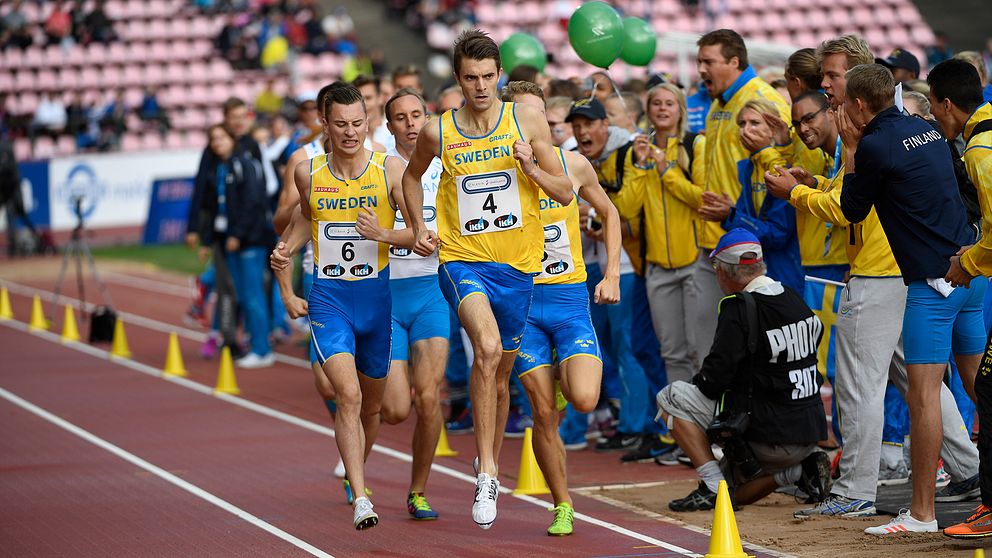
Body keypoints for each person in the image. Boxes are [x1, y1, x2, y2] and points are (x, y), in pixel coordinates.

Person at [765, 36, 983, 521]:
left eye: (832, 75)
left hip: (884, 270)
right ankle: (970, 470)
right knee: (920, 382)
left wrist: (794, 195)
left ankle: (856, 488)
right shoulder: (907, 123)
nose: (824, 85)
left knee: (860, 383)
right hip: (922, 269)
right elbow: (862, 191)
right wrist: (813, 183)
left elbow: (849, 208)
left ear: (860, 79)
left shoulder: (871, 132)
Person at [400, 29, 572, 530]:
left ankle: (487, 459)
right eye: (471, 78)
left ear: (500, 76)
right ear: (457, 79)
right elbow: (412, 178)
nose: (480, 87)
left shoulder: (527, 117)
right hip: (461, 261)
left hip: (518, 267)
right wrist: (417, 227)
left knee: (499, 380)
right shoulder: (439, 130)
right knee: (488, 349)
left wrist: (532, 169)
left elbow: (564, 193)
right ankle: (490, 473)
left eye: (488, 77)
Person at [838, 63, 985, 535]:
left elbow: (852, 210)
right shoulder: (927, 129)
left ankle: (922, 513)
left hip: (933, 285)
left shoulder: (875, 144)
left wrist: (852, 149)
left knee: (923, 400)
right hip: (972, 272)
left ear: (859, 105)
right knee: (985, 391)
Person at [272, 82, 411, 530]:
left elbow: (422, 237)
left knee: (373, 408)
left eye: (358, 123)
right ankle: (362, 498)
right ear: (324, 124)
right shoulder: (308, 173)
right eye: (341, 125)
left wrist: (384, 235)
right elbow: (303, 221)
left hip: (376, 301)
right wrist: (285, 260)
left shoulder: (390, 169)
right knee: (346, 396)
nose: (351, 133)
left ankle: (356, 474)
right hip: (330, 300)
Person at [502, 81, 621, 536]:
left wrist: (609, 273)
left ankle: (561, 386)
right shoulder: (495, 172)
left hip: (570, 299)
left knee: (585, 398)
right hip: (524, 307)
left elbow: (609, 214)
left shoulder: (573, 165)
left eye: (543, 121)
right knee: (543, 414)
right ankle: (563, 504)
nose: (533, 128)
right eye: (522, 120)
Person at [656, 228, 831, 511]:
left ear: (725, 272)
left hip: (771, 438)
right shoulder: (791, 296)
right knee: (732, 496)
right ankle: (797, 471)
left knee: (671, 396)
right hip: (809, 431)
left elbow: (714, 379)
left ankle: (713, 486)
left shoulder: (738, 306)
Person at [363, 87, 449, 521]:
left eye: (418, 114)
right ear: (389, 123)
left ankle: (418, 491)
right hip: (389, 297)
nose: (412, 123)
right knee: (395, 408)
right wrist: (404, 235)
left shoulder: (448, 165)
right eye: (402, 117)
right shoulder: (378, 169)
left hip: (431, 293)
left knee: (429, 398)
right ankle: (353, 454)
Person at [568, 98, 664, 460]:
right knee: (605, 350)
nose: (582, 131)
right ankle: (625, 420)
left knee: (630, 348)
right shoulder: (577, 156)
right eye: (576, 125)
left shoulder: (625, 154)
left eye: (589, 123)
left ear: (606, 124)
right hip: (590, 266)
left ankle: (636, 426)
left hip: (624, 265)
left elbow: (626, 216)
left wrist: (592, 218)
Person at [694, 29, 791, 358]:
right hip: (717, 236)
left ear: (734, 61)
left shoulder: (762, 98)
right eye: (699, 61)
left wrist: (737, 217)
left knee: (754, 343)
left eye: (708, 61)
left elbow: (784, 161)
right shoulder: (718, 102)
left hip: (753, 240)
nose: (700, 69)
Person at [930, 58, 992, 539]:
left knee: (987, 388)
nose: (933, 116)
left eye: (933, 106)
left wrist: (967, 262)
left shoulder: (979, 149)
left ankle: (989, 507)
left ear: (947, 104)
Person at [624, 82, 706, 409]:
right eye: (655, 103)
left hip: (695, 262)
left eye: (669, 103)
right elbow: (627, 209)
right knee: (671, 352)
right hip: (657, 266)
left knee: (700, 349)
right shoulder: (638, 151)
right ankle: (682, 429)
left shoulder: (694, 144)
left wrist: (667, 172)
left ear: (680, 110)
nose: (661, 108)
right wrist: (643, 166)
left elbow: (702, 199)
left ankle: (707, 424)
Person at [191, 124, 274, 369]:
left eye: (222, 138)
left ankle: (262, 349)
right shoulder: (221, 166)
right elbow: (216, 207)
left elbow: (252, 203)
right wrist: (209, 240)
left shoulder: (243, 164)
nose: (217, 142)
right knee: (243, 295)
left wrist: (237, 234)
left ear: (232, 139)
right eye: (213, 138)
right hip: (230, 241)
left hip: (248, 241)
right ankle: (256, 344)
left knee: (252, 295)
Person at [700, 98, 802, 292]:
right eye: (741, 123)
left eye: (754, 123)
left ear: (773, 128)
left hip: (785, 270)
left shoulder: (784, 167)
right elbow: (751, 221)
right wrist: (731, 212)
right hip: (757, 272)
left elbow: (778, 234)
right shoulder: (748, 167)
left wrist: (731, 215)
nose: (745, 130)